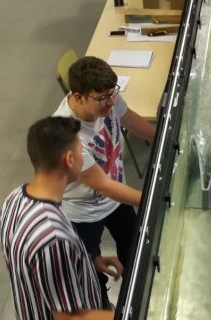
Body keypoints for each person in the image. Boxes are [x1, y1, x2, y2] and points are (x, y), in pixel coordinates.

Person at [52, 56, 155, 307]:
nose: (111, 102)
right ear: (78, 96)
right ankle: (100, 305)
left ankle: (136, 299)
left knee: (135, 249)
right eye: (102, 98)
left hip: (116, 200)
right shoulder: (68, 134)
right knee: (90, 270)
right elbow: (101, 184)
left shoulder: (108, 97)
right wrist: (155, 198)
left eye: (113, 93)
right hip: (83, 212)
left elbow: (130, 118)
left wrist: (166, 137)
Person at [0, 116, 123, 320]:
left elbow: (38, 268)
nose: (84, 158)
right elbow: (71, 318)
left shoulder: (14, 199)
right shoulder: (53, 237)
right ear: (69, 160)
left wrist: (88, 261)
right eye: (80, 151)